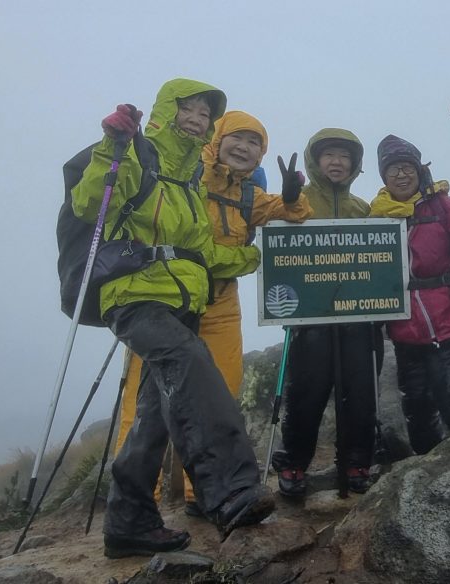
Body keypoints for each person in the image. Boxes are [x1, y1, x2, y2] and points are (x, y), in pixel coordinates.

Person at [71, 79, 275, 558]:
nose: (198, 119)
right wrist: (113, 146)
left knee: (153, 417)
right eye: (191, 109)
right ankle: (229, 491)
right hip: (134, 297)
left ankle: (128, 523)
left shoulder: (188, 184)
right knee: (189, 360)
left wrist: (252, 259)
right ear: (169, 111)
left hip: (180, 301)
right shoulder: (139, 157)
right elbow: (89, 204)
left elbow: (202, 253)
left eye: (206, 114)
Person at [114, 110, 311, 517]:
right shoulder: (189, 177)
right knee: (143, 403)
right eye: (237, 138)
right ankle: (136, 503)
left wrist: (292, 198)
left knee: (221, 395)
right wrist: (249, 257)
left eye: (254, 143)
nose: (244, 147)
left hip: (221, 304)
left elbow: (293, 214)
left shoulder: (246, 194)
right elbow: (198, 253)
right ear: (216, 140)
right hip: (170, 299)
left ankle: (201, 494)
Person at [271, 129, 384, 497]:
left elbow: (380, 260)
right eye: (329, 155)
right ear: (315, 161)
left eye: (344, 157)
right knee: (307, 392)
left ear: (355, 165)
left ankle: (356, 463)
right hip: (311, 319)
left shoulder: (361, 209)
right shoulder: (297, 202)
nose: (337, 162)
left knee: (360, 393)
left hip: (356, 319)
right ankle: (293, 465)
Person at [368, 135, 450, 454]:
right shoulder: (377, 216)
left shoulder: (444, 205)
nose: (400, 175)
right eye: (392, 169)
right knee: (418, 407)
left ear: (419, 169)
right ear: (383, 175)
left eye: (407, 167)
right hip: (406, 332)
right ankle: (428, 472)